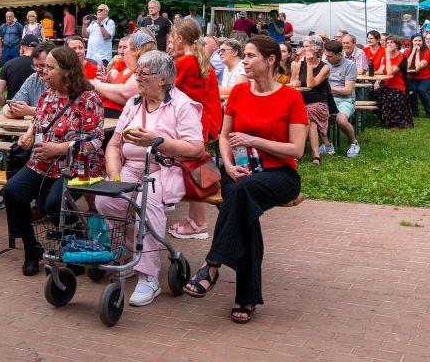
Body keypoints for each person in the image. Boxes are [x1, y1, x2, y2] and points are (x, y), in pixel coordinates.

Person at [183, 35, 307, 324]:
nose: (245, 61)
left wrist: (254, 140)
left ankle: (212, 264)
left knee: (242, 193)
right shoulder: (239, 92)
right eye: (245, 56)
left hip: (279, 174)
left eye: (251, 56)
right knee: (244, 207)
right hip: (237, 170)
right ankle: (246, 297)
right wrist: (227, 165)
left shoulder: (291, 97)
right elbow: (224, 136)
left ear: (271, 60)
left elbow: (296, 150)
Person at [97, 50, 205, 307]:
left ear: (162, 79)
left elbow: (197, 148)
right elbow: (114, 145)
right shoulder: (134, 103)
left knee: (147, 204)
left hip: (166, 168)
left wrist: (156, 141)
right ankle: (126, 256)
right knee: (106, 200)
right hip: (131, 167)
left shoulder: (182, 105)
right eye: (137, 73)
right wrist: (114, 176)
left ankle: (149, 276)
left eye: (143, 74)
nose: (137, 78)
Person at [3, 45, 105, 276]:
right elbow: (38, 120)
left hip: (77, 165)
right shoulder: (48, 93)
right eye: (42, 67)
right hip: (43, 162)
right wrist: (29, 135)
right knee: (12, 191)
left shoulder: (88, 98)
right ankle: (32, 249)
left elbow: (96, 140)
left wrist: (59, 148)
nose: (43, 71)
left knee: (55, 203)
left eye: (49, 67)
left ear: (67, 71)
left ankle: (75, 249)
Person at [167, 18, 222, 240]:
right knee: (196, 168)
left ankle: (199, 224)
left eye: (173, 38)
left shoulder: (184, 62)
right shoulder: (202, 61)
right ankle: (195, 219)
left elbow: (163, 89)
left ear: (180, 39)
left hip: (195, 123)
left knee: (195, 170)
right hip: (207, 121)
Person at [93, 32, 156, 119]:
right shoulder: (126, 68)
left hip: (115, 115)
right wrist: (105, 82)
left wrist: (97, 85)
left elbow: (127, 93)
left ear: (135, 51)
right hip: (104, 110)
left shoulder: (142, 70)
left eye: (125, 47)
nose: (122, 51)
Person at [296, 36, 332, 164]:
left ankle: (299, 153)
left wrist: (310, 64)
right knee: (310, 121)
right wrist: (296, 82)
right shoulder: (300, 63)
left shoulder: (325, 67)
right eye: (303, 46)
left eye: (306, 46)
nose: (303, 49)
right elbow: (295, 80)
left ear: (316, 49)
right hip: (302, 102)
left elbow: (311, 84)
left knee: (308, 117)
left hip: (319, 104)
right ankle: (316, 156)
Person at [324, 40, 360, 158]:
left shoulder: (350, 65)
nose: (327, 58)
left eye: (330, 56)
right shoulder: (325, 63)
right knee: (314, 116)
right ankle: (327, 145)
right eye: (326, 55)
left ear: (339, 54)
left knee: (341, 120)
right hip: (327, 98)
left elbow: (348, 90)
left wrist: (328, 89)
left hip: (345, 99)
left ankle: (353, 143)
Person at [0, 42, 55, 119]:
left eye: (42, 65)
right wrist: (8, 109)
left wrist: (29, 111)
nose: (38, 70)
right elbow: (15, 102)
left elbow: (61, 112)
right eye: (35, 66)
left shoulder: (65, 82)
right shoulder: (33, 79)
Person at [372, 35, 412, 130]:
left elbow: (390, 72)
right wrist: (372, 73)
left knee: (390, 95)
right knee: (372, 93)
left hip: (399, 85)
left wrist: (388, 57)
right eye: (388, 43)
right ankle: (382, 118)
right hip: (386, 84)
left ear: (397, 45)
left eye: (392, 42)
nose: (389, 44)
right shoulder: (386, 57)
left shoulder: (401, 57)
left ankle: (395, 123)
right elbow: (381, 70)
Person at [0, 35, 40, 108]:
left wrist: (6, 107)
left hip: (14, 109)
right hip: (36, 110)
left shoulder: (8, 64)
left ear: (22, 49)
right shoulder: (43, 67)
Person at [405, 34, 430, 118]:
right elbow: (406, 66)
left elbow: (418, 67)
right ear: (412, 42)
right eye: (415, 40)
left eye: (420, 41)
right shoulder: (407, 51)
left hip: (428, 78)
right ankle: (415, 112)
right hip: (413, 77)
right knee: (412, 90)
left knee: (421, 90)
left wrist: (417, 53)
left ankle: (429, 112)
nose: (417, 43)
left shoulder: (427, 52)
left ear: (423, 42)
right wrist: (412, 53)